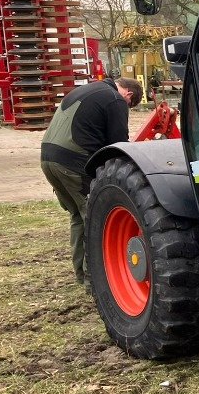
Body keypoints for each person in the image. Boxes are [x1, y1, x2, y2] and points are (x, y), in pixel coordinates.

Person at [40, 77, 143, 288]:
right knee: (96, 220)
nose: (127, 108)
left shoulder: (87, 90)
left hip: (48, 159)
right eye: (130, 106)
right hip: (73, 164)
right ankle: (95, 281)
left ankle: (82, 275)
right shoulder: (115, 100)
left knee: (78, 216)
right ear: (129, 96)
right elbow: (118, 144)